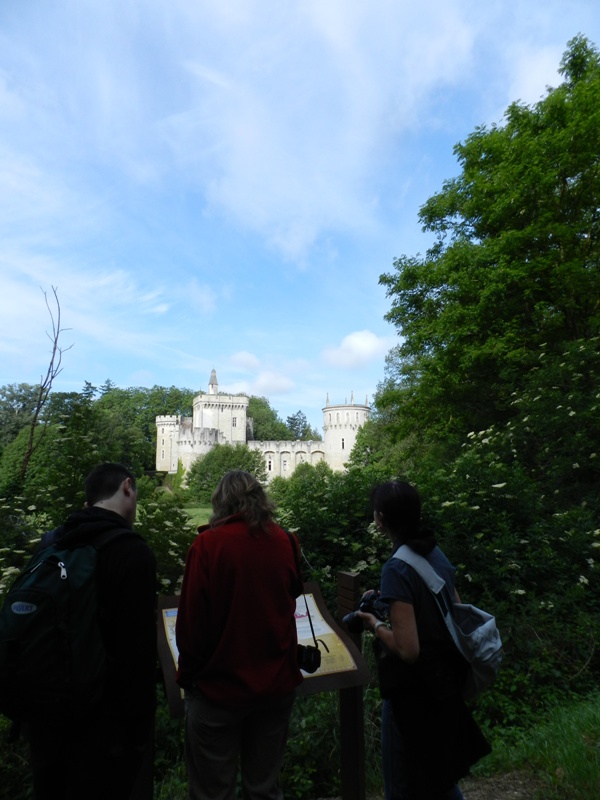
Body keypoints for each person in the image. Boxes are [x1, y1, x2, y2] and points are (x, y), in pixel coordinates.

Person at [24, 462, 157, 800]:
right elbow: (136, 652)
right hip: (104, 730)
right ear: (127, 487)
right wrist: (139, 729)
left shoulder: (50, 544)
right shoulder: (131, 551)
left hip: (46, 718)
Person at [357, 480, 490, 800]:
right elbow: (453, 609)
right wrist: (390, 599)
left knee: (401, 785)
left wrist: (375, 623)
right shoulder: (434, 551)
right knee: (439, 777)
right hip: (445, 682)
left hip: (413, 692)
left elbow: (408, 649)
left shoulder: (397, 567)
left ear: (380, 518)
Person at [176, 470, 303, 800]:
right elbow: (289, 602)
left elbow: (191, 626)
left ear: (221, 501)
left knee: (212, 791)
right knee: (263, 788)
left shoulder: (208, 545)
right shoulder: (285, 541)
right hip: (275, 686)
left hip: (219, 690)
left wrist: (188, 677)